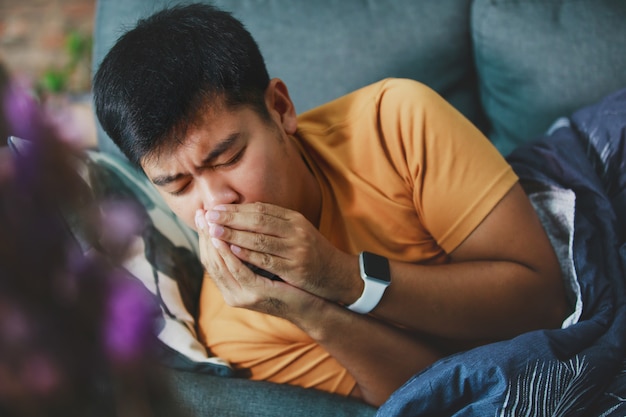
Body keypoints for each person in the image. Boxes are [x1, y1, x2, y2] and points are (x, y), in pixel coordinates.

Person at [93, 3, 569, 407]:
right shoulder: (236, 325)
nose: (216, 203)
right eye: (177, 186)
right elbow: (443, 401)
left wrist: (343, 276)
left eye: (230, 157)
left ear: (280, 109)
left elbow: (545, 305)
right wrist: (311, 310)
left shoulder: (397, 123)